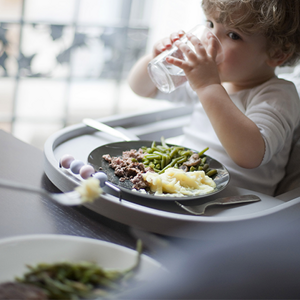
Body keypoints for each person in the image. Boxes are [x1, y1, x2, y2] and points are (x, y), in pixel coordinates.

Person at [128, 0, 300, 196]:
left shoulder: (279, 94)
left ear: (277, 53)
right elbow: (142, 88)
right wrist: (154, 57)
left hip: (234, 204)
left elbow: (250, 155)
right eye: (210, 24)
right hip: (178, 186)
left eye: (233, 35)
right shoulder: (213, 79)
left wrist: (208, 86)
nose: (209, 39)